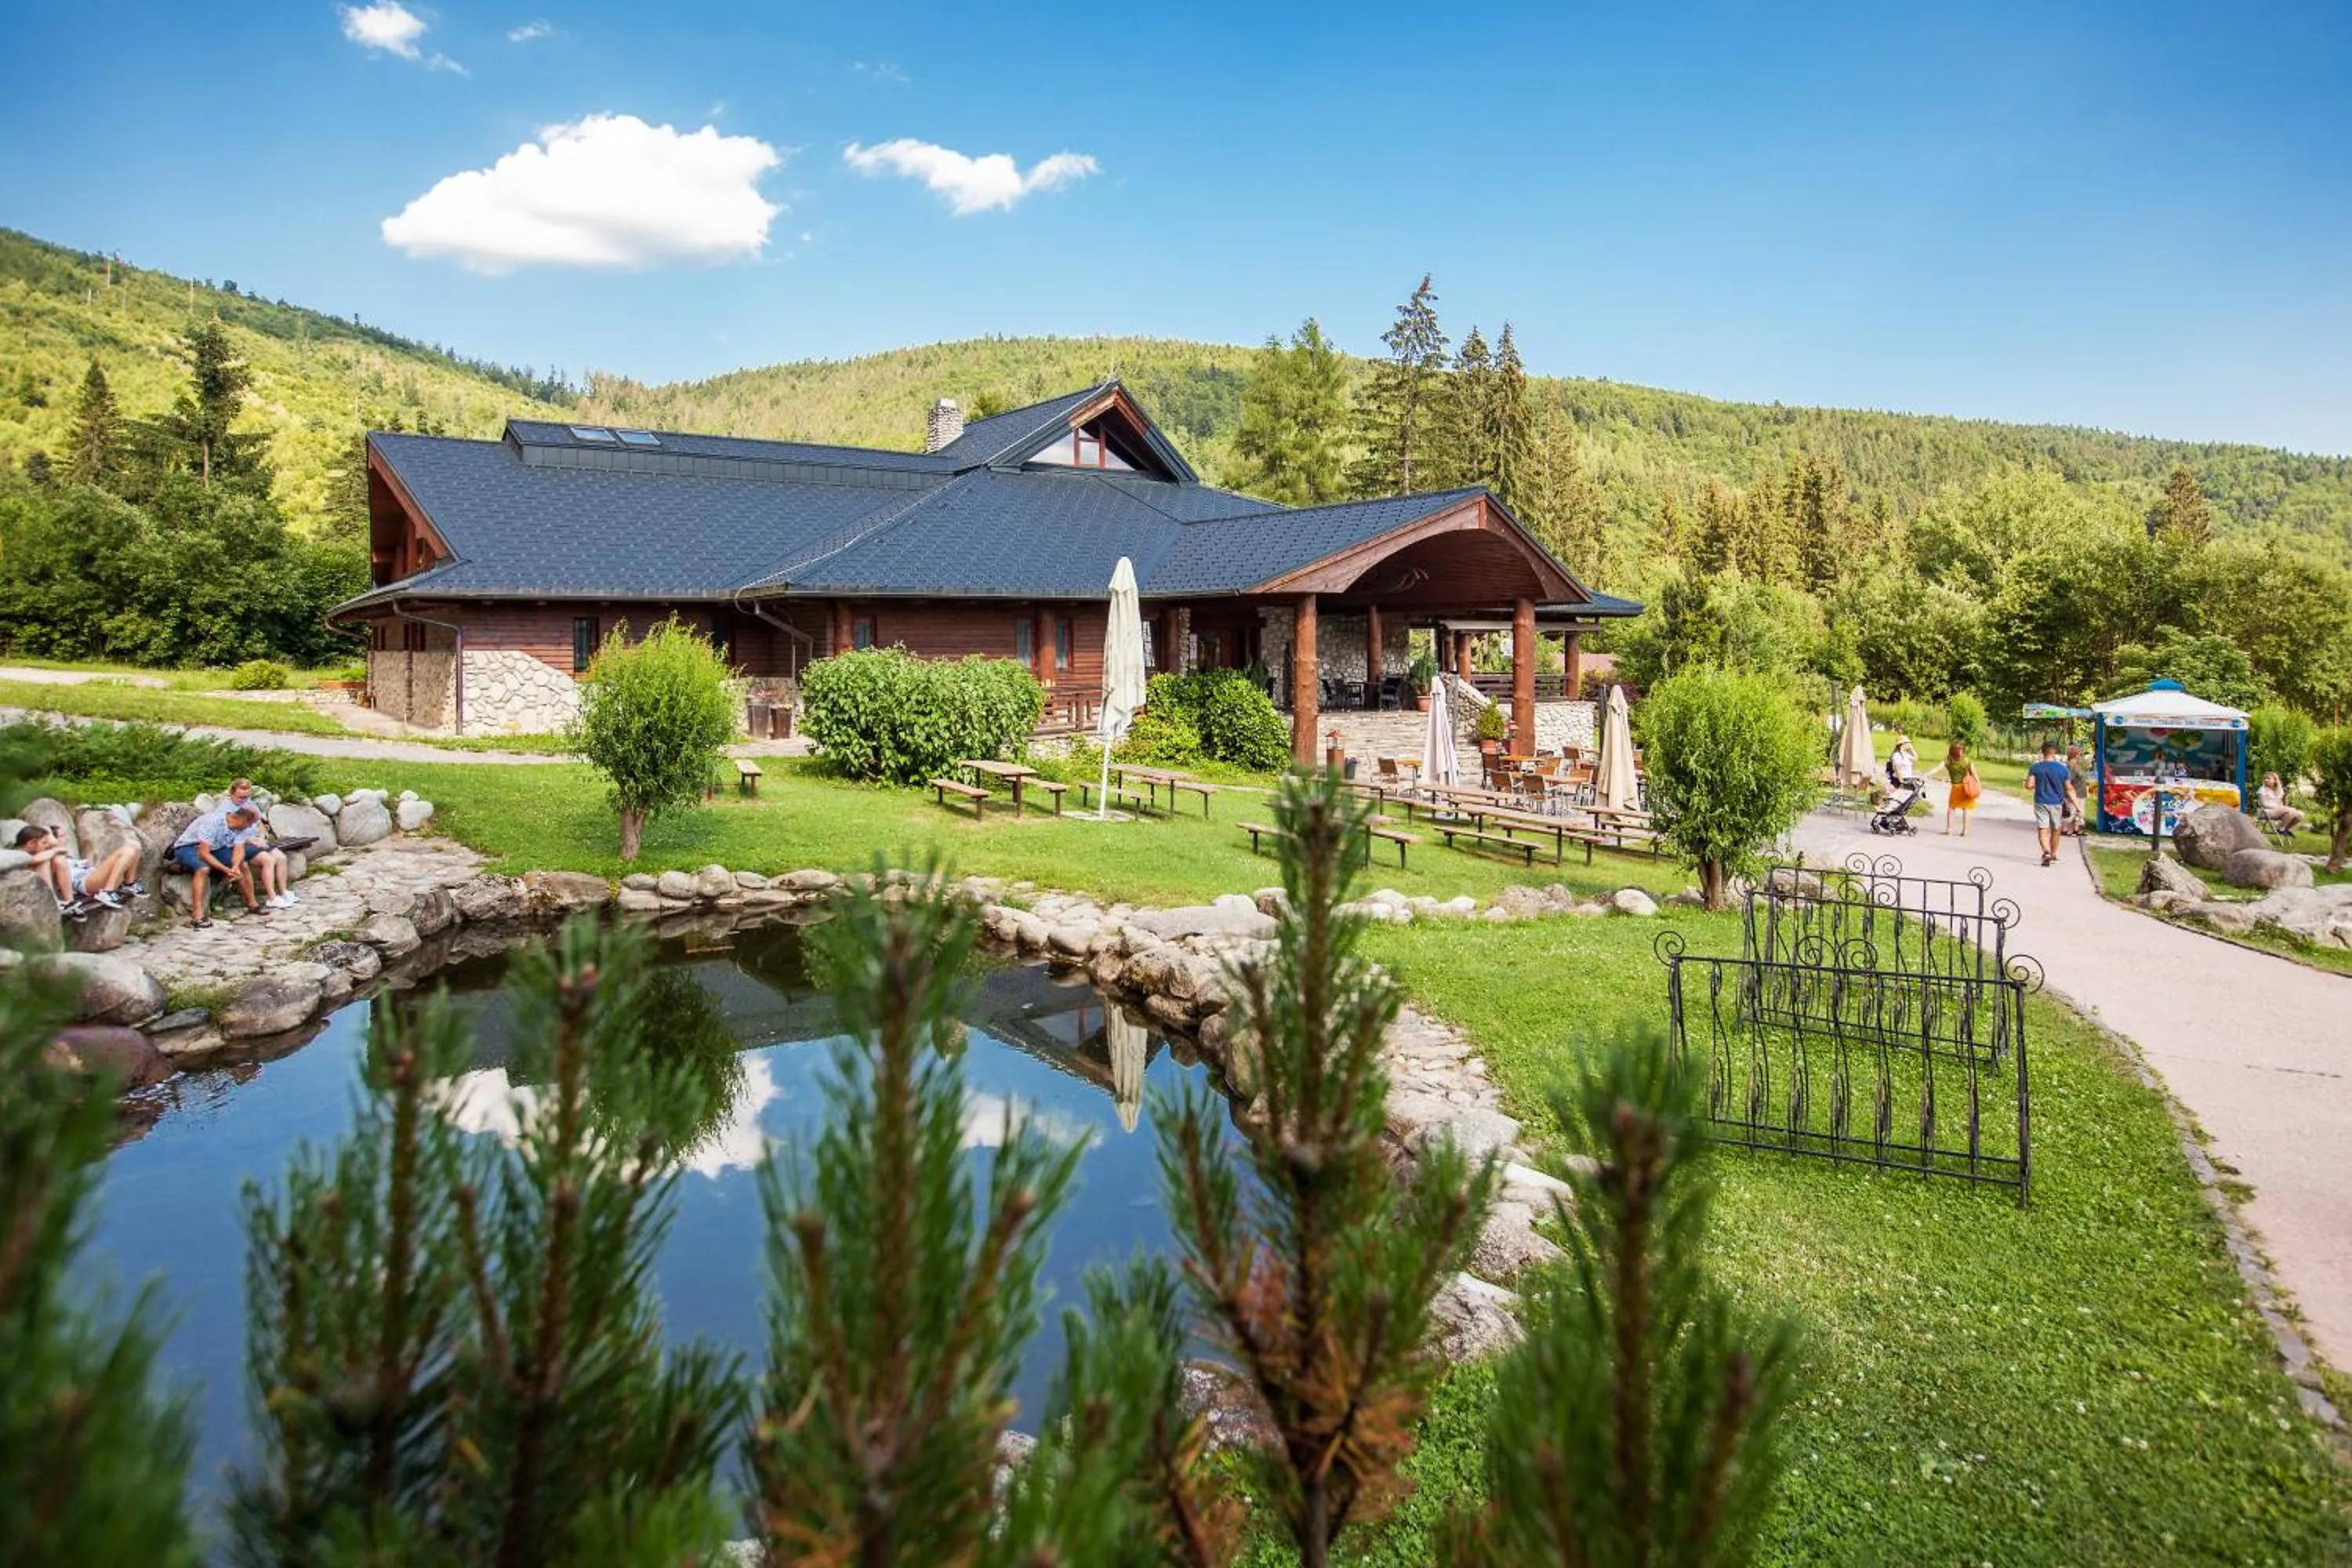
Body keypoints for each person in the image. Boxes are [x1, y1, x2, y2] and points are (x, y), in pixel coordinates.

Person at [15, 823, 144, 919]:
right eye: (61, 836)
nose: (64, 839)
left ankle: (128, 884)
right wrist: (50, 837)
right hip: (87, 883)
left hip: (94, 877)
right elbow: (38, 856)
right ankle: (108, 891)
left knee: (135, 846)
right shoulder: (51, 856)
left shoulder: (57, 854)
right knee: (129, 848)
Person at [169, 804, 267, 928]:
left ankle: (253, 904)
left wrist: (235, 866)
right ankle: (197, 916)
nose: (250, 828)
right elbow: (204, 853)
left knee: (242, 864)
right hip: (189, 847)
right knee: (203, 869)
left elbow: (239, 849)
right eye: (250, 825)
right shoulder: (212, 823)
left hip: (216, 848)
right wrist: (226, 870)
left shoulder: (240, 828)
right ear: (242, 820)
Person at [223, 778, 299, 909]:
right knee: (268, 860)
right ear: (232, 793)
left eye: (246, 797)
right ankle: (271, 897)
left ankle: (283, 892)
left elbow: (259, 824)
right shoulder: (226, 809)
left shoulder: (250, 804)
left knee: (281, 858)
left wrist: (262, 837)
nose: (243, 800)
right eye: (240, 797)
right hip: (239, 844)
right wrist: (250, 840)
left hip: (256, 840)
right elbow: (228, 833)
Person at [2028, 741, 2079, 868]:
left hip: (2041, 801)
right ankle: (2054, 853)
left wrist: (2036, 784)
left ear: (2042, 752)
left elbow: (2029, 786)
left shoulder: (2036, 767)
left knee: (2042, 828)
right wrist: (2077, 806)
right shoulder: (2062, 769)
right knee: (2056, 829)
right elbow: (2069, 788)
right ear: (2055, 752)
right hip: (2057, 803)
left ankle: (2046, 852)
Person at [1941, 741, 1980, 837]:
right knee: (1966, 809)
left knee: (1951, 808)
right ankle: (1965, 830)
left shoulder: (1948, 761)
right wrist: (1979, 784)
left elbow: (1938, 768)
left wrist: (1927, 774)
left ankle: (1949, 829)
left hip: (1956, 787)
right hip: (1967, 788)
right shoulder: (1967, 761)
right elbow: (1975, 775)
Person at [2257, 771, 2308, 836]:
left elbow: (2284, 804)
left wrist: (2286, 796)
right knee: (2291, 810)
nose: (2266, 780)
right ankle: (2280, 828)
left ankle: (2286, 829)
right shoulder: (2262, 789)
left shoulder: (2280, 790)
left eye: (2268, 778)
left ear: (2275, 780)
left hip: (2280, 811)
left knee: (2300, 814)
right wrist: (2278, 808)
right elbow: (2263, 804)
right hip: (2266, 812)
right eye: (2265, 778)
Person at [2063, 743, 2092, 836]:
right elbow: (2069, 781)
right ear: (2075, 755)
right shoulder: (2071, 766)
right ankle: (2065, 829)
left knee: (2079, 813)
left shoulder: (2078, 765)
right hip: (2074, 793)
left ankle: (2076, 829)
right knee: (2071, 812)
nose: (2081, 756)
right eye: (2080, 754)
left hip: (2081, 793)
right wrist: (2069, 794)